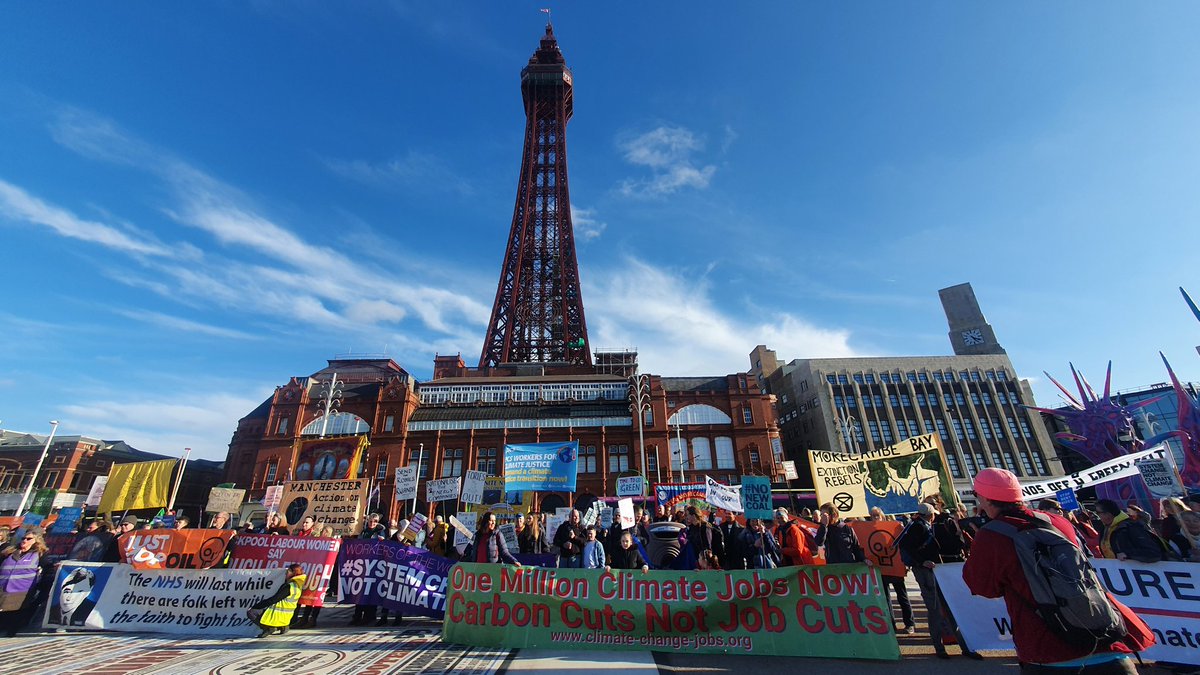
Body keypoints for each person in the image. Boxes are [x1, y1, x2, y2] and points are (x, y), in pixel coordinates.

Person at [964, 468, 1153, 673]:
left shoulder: (991, 535)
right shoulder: (1057, 522)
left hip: (1049, 650)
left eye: (977, 495)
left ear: (986, 497)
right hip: (1106, 639)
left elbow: (983, 587)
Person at [897, 502, 974, 659]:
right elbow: (907, 546)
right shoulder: (919, 527)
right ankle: (948, 648)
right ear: (932, 514)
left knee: (942, 609)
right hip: (927, 571)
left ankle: (958, 647)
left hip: (932, 570)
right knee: (937, 609)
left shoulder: (918, 525)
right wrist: (921, 561)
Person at [868, 507, 914, 634]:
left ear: (882, 515)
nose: (875, 517)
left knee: (902, 596)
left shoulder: (893, 527)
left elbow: (903, 543)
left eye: (877, 515)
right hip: (881, 568)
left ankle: (909, 623)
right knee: (886, 598)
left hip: (895, 567)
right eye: (872, 515)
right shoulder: (868, 530)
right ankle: (891, 624)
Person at [0, 530, 48, 636]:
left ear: (36, 541)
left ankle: (11, 633)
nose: (24, 540)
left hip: (22, 591)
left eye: (28, 539)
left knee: (14, 615)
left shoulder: (39, 555)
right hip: (3, 589)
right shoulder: (9, 552)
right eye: (23, 538)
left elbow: (48, 568)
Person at [1095, 499, 1167, 562]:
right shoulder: (1105, 529)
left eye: (1098, 513)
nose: (1097, 515)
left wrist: (1128, 554)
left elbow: (1153, 553)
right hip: (1119, 573)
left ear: (1108, 514)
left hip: (1139, 574)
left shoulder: (1131, 527)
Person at [248, 563, 306, 638]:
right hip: (286, 618)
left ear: (292, 573)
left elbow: (274, 600)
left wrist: (257, 605)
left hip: (276, 615)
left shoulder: (288, 587)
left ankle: (268, 628)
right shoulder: (297, 585)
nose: (285, 574)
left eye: (287, 572)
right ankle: (283, 626)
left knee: (251, 612)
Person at [351, 514, 388, 626]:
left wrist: (382, 540)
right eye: (371, 521)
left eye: (375, 521)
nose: (372, 523)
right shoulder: (364, 532)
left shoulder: (380, 532)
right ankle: (357, 616)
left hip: (375, 565)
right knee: (360, 591)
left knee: (371, 591)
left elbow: (385, 544)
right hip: (363, 564)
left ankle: (369, 616)